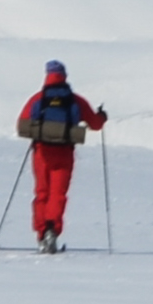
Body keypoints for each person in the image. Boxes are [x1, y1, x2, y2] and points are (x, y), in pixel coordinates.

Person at [14, 59, 107, 253]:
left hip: (41, 152)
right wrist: (102, 117)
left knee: (42, 193)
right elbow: (95, 124)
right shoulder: (75, 100)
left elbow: (21, 123)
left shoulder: (38, 98)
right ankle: (52, 231)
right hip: (64, 153)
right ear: (64, 76)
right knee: (58, 194)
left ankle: (41, 234)